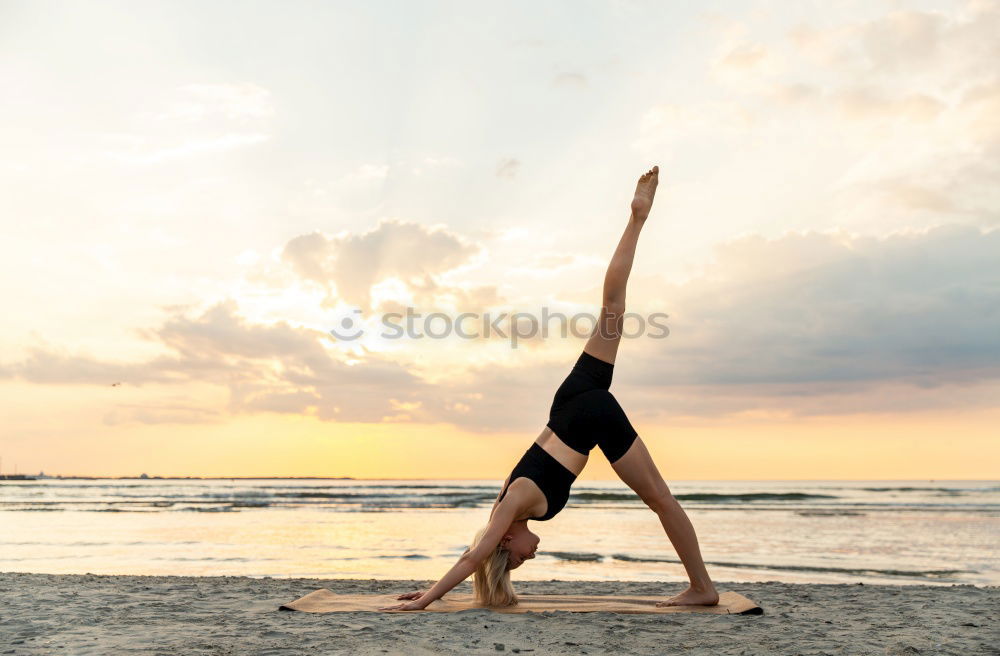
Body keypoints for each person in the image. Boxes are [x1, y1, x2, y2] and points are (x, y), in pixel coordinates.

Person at [379, 166, 718, 611]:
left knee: (660, 498)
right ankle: (637, 218)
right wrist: (434, 590)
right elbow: (476, 555)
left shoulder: (506, 514)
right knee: (613, 308)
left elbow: (475, 556)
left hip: (588, 415)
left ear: (504, 543)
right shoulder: (505, 505)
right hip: (567, 402)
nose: (529, 557)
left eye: (518, 561)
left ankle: (702, 587)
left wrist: (424, 601)